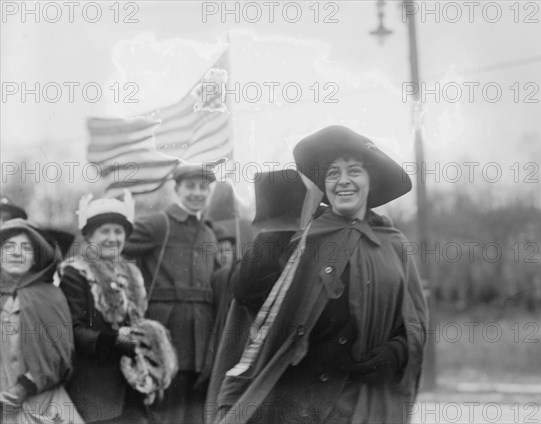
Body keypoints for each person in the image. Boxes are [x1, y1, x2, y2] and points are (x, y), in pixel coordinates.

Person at [209, 126, 428, 424]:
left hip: (359, 404)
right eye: (333, 173)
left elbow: (414, 325)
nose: (343, 181)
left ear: (372, 181)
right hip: (293, 403)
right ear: (323, 185)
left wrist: (395, 353)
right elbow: (247, 292)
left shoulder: (394, 246)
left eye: (354, 171)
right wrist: (280, 223)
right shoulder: (302, 237)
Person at [59, 193, 175, 423]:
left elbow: (134, 325)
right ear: (89, 236)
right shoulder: (75, 272)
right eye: (105, 231)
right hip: (94, 384)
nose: (113, 238)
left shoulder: (131, 273)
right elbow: (75, 330)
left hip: (132, 381)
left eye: (119, 231)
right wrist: (119, 341)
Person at [123, 163, 221, 424]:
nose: (197, 193)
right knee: (163, 408)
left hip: (201, 332)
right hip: (165, 330)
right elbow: (112, 248)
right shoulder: (159, 224)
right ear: (177, 189)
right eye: (190, 186)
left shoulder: (209, 233)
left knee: (194, 412)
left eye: (203, 187)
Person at [0, 219, 83, 424]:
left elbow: (60, 355)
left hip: (40, 403)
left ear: (36, 257)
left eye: (26, 247)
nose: (17, 253)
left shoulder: (50, 297)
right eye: (9, 247)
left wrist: (24, 387)